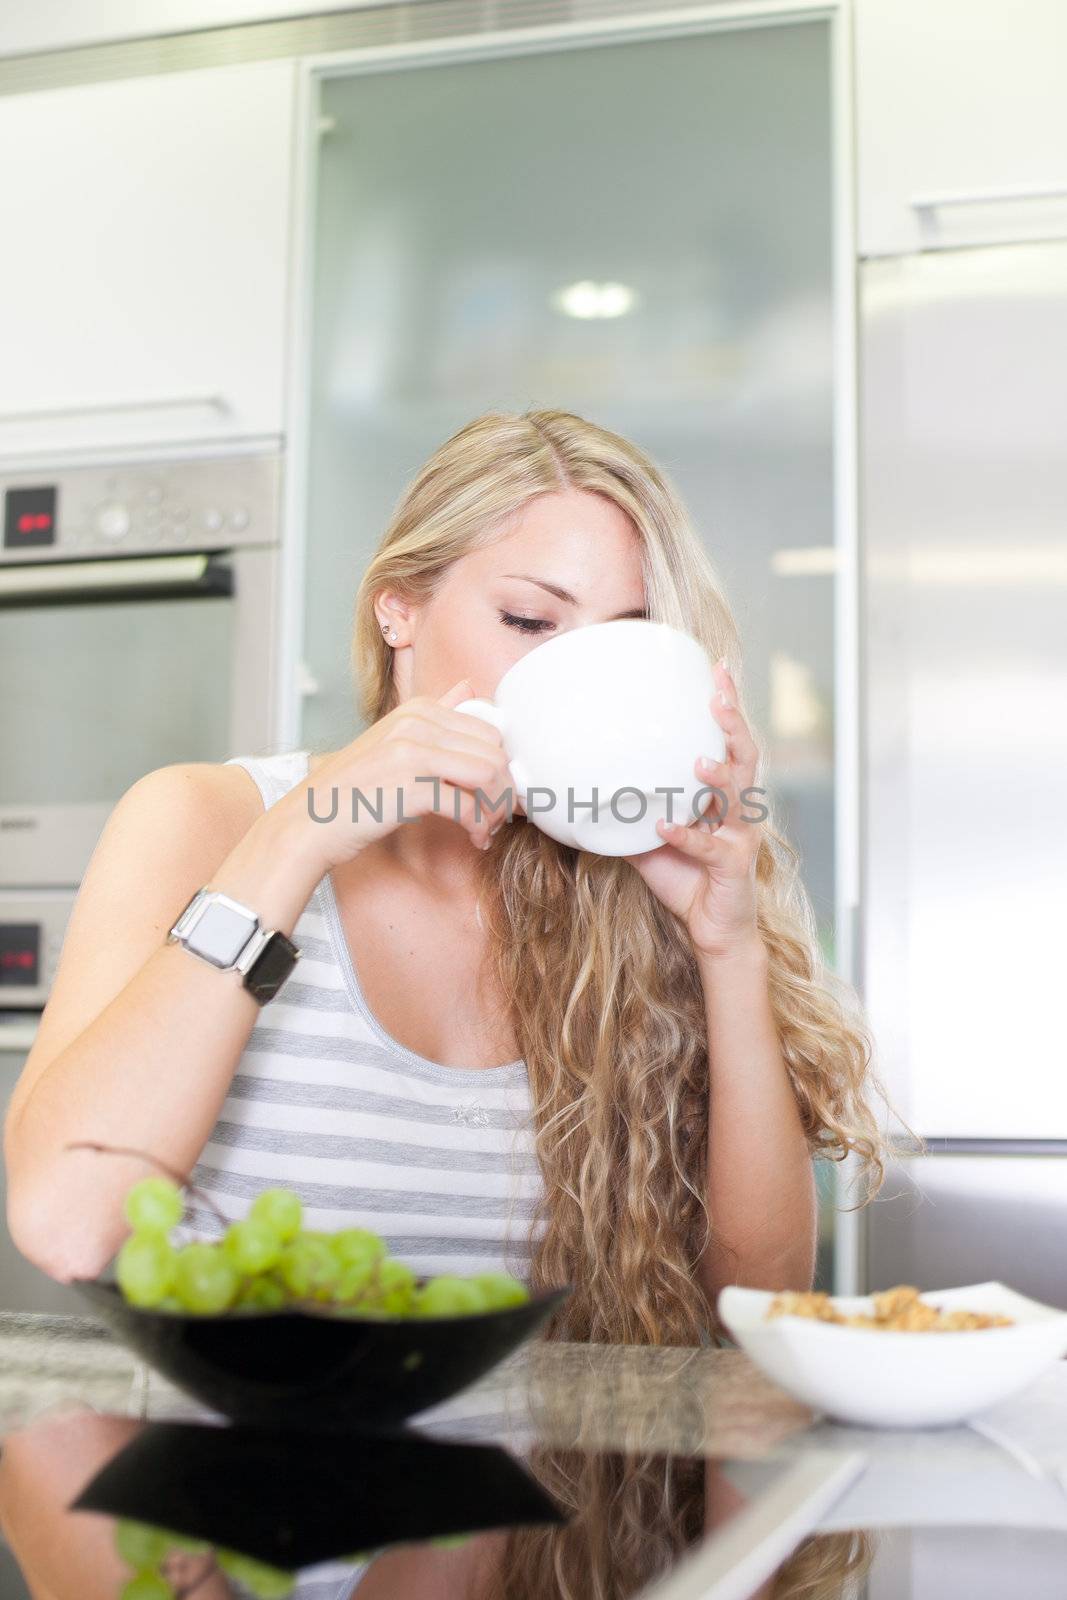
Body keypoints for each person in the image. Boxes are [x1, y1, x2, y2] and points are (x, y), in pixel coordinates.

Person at [5, 408, 891, 1346]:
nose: (574, 680)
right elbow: (68, 1223)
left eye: (618, 641)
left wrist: (728, 944)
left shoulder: (635, 887)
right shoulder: (199, 820)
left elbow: (750, 1309)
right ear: (399, 608)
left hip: (544, 1492)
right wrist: (296, 837)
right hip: (226, 1480)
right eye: (527, 620)